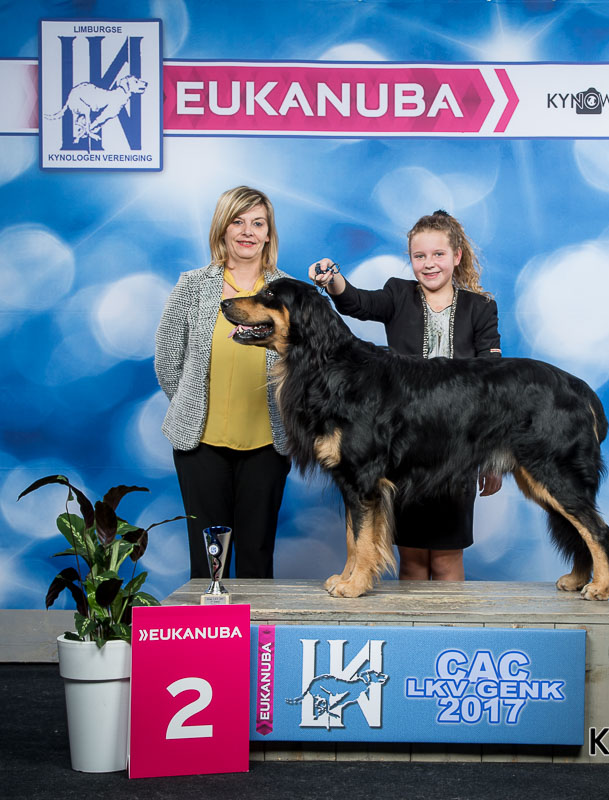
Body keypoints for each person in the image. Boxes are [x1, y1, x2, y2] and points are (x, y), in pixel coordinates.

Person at [309, 210, 502, 582]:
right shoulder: (398, 294)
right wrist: (333, 280)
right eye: (419, 256)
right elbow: (357, 302)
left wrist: (491, 455)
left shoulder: (481, 309)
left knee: (446, 559)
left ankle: (449, 623)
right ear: (411, 259)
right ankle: (411, 624)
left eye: (438, 254)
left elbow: (492, 381)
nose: (429, 264)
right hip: (403, 448)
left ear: (457, 256)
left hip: (458, 447)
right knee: (411, 560)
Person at [155, 185, 291, 580]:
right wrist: (191, 403)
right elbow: (168, 361)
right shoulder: (193, 286)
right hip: (201, 445)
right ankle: (210, 623)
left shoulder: (287, 292)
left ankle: (255, 625)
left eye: (258, 223)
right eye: (238, 221)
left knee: (257, 556)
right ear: (222, 228)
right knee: (207, 562)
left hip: (267, 445)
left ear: (268, 233)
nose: (248, 231)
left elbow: (302, 364)